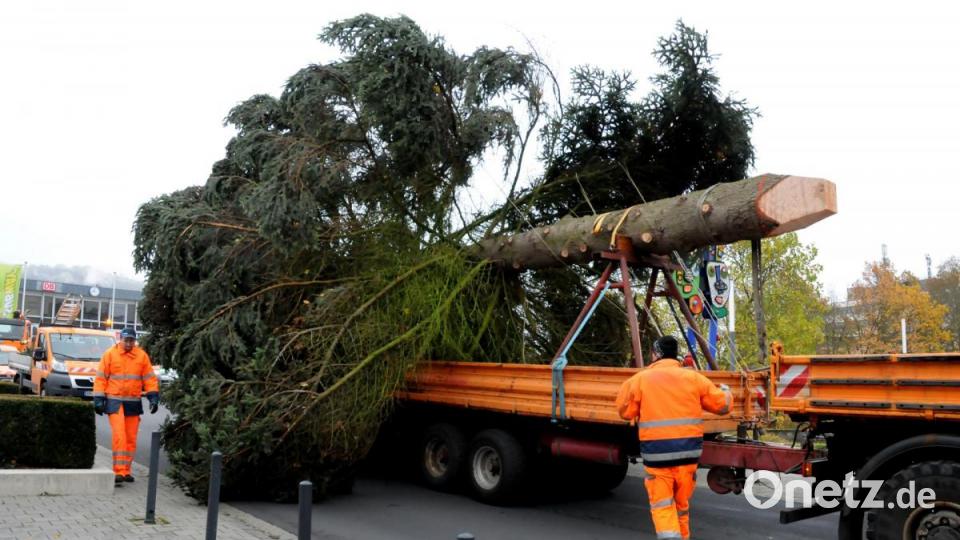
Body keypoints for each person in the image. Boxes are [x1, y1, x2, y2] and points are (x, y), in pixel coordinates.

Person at [615, 335, 731, 540]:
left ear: (656, 354)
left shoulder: (640, 380)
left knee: (663, 507)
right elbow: (722, 406)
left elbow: (625, 411)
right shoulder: (694, 378)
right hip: (688, 457)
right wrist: (726, 390)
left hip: (658, 459)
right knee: (681, 506)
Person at [92, 327, 160, 484]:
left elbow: (149, 379)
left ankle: (126, 470)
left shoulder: (141, 356)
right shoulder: (110, 354)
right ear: (120, 339)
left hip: (133, 401)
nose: (128, 343)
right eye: (126, 340)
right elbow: (101, 378)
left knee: (130, 438)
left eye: (131, 340)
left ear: (134, 341)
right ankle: (119, 472)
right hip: (114, 400)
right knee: (120, 435)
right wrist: (99, 399)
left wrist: (153, 397)